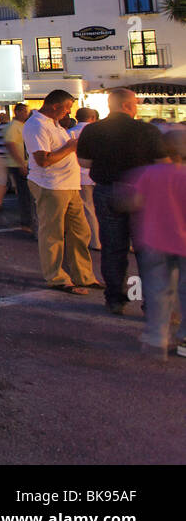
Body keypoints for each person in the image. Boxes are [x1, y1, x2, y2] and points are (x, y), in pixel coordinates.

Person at [75, 88, 169, 315]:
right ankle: (153, 304)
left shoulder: (93, 130)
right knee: (147, 248)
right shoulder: (147, 130)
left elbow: (84, 163)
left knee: (113, 247)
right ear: (127, 105)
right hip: (142, 192)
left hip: (107, 191)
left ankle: (115, 299)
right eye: (135, 104)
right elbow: (162, 162)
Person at [21, 90, 97, 294]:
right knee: (53, 233)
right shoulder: (36, 125)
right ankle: (56, 277)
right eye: (67, 108)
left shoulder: (53, 124)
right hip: (51, 185)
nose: (68, 112)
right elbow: (43, 160)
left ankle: (83, 275)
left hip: (69, 185)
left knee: (81, 231)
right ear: (55, 106)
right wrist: (71, 147)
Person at [123, 128, 186, 360]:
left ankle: (157, 340)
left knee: (158, 290)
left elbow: (134, 202)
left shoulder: (147, 173)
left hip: (154, 240)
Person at [68, 108, 100, 252]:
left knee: (88, 208)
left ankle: (95, 241)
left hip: (80, 174)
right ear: (92, 117)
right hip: (100, 173)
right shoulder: (100, 131)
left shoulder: (70, 132)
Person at [4, 102, 34, 233]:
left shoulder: (23, 126)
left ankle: (29, 220)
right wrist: (21, 164)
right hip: (18, 165)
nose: (27, 114)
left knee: (29, 194)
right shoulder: (13, 127)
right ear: (18, 112)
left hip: (25, 163)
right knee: (25, 195)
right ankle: (27, 222)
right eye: (25, 112)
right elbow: (11, 145)